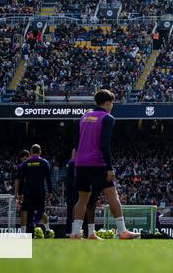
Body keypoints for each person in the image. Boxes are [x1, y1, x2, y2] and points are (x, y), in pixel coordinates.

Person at [69, 89, 139, 240]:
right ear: (107, 103)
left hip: (81, 163)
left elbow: (76, 141)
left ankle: (75, 233)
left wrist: (75, 161)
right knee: (112, 194)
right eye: (112, 103)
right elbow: (104, 144)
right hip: (98, 163)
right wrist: (109, 167)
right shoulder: (107, 118)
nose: (112, 106)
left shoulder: (84, 116)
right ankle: (122, 231)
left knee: (82, 199)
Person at [15, 144, 53, 234]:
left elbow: (20, 180)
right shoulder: (45, 162)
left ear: (31, 152)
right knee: (41, 211)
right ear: (40, 152)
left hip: (28, 192)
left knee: (30, 212)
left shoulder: (24, 164)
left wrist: (20, 193)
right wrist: (50, 191)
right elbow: (48, 178)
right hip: (40, 191)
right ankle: (35, 224)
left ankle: (31, 229)